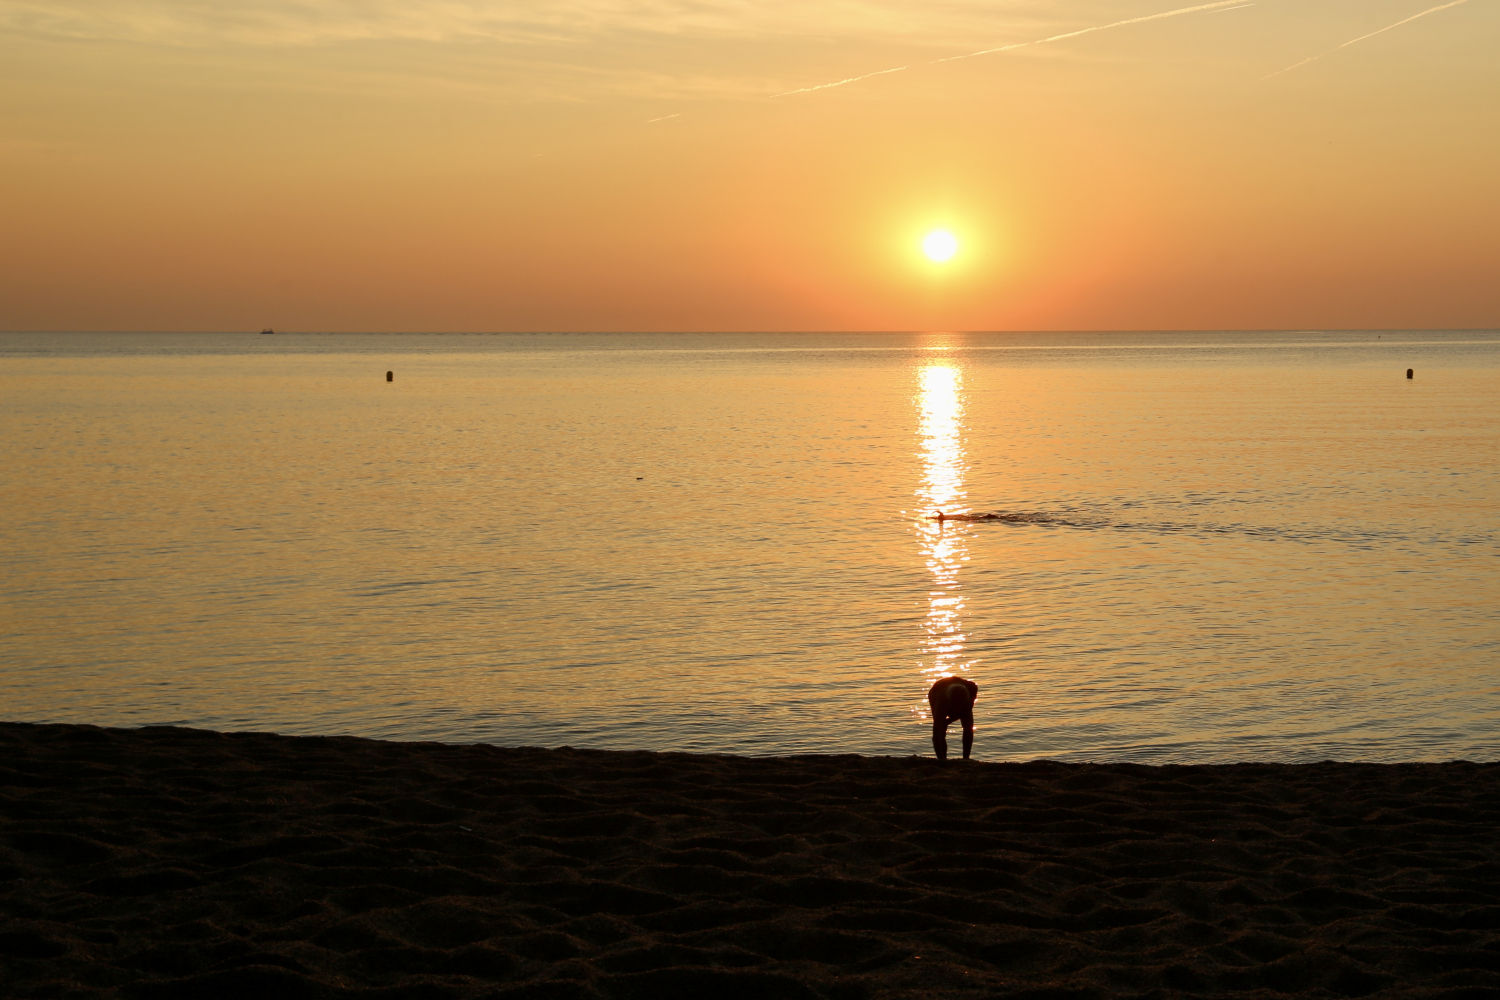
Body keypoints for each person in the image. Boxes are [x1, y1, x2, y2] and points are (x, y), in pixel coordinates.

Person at [927, 675, 979, 761]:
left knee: (968, 727)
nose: (958, 708)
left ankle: (966, 758)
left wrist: (950, 720)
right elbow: (935, 733)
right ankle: (942, 758)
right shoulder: (940, 701)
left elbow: (967, 709)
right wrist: (944, 722)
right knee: (939, 729)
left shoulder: (972, 688)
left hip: (958, 691)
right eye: (956, 706)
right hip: (937, 691)